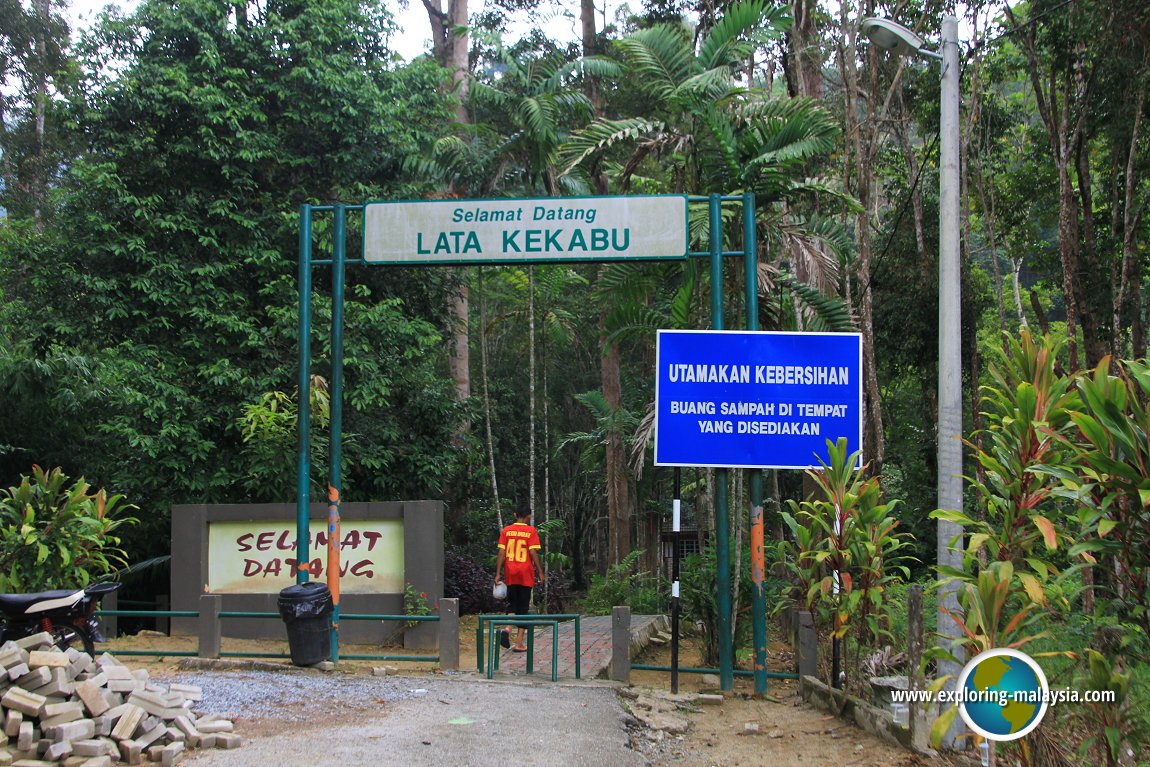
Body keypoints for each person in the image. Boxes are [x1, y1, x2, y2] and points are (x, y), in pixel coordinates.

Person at [494, 504, 545, 652]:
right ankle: (519, 643)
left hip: (510, 571)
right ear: (528, 516)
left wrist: (498, 573)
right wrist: (540, 571)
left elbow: (501, 553)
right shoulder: (531, 531)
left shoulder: (506, 531)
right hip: (525, 572)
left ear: (515, 515)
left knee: (512, 604)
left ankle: (507, 628)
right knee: (523, 608)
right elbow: (533, 553)